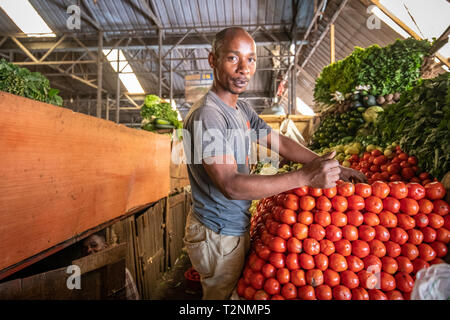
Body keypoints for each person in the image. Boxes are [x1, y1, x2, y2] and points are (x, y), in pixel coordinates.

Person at [182, 27, 366, 300]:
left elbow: (280, 143)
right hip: (218, 231)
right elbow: (230, 185)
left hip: (231, 225)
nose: (244, 68)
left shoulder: (240, 109)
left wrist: (331, 166)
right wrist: (305, 177)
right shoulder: (208, 116)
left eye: (251, 59)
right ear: (213, 60)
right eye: (233, 58)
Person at [82, 233, 140, 300]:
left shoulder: (121, 273)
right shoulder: (84, 279)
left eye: (94, 245)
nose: (88, 250)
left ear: (105, 247)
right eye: (85, 248)